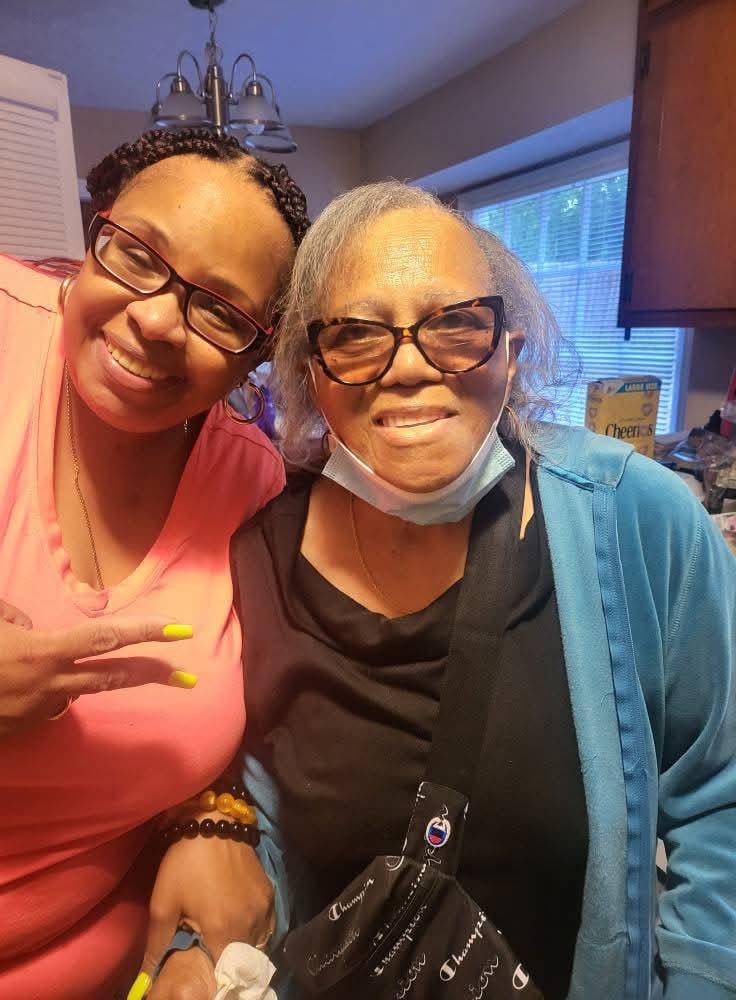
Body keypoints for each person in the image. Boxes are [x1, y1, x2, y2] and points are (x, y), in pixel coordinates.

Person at [225, 181, 736, 999]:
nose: (410, 367)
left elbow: (720, 799)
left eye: (456, 324)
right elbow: (240, 803)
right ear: (311, 373)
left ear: (510, 351)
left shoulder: (636, 520)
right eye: (356, 334)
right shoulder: (255, 557)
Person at [0, 128, 309, 1000]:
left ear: (257, 352)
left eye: (221, 311)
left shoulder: (251, 480)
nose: (157, 319)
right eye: (137, 254)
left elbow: (243, 707)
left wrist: (214, 817)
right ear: (96, 229)